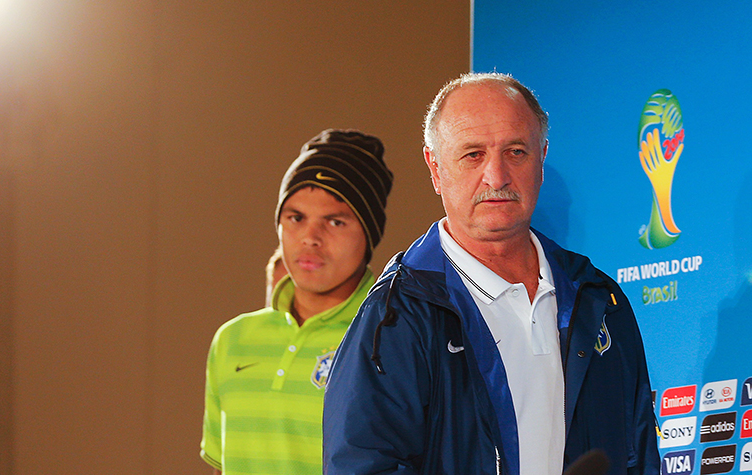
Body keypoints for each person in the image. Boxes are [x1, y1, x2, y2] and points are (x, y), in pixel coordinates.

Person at [323, 73, 659, 475]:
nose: (497, 177)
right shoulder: (396, 315)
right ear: (435, 167)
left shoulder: (599, 302)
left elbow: (639, 457)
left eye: (516, 152)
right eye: (473, 154)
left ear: (542, 159)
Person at [201, 129, 394, 474]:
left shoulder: (393, 338)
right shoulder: (231, 340)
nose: (310, 238)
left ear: (369, 233)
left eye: (335, 221)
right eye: (296, 217)